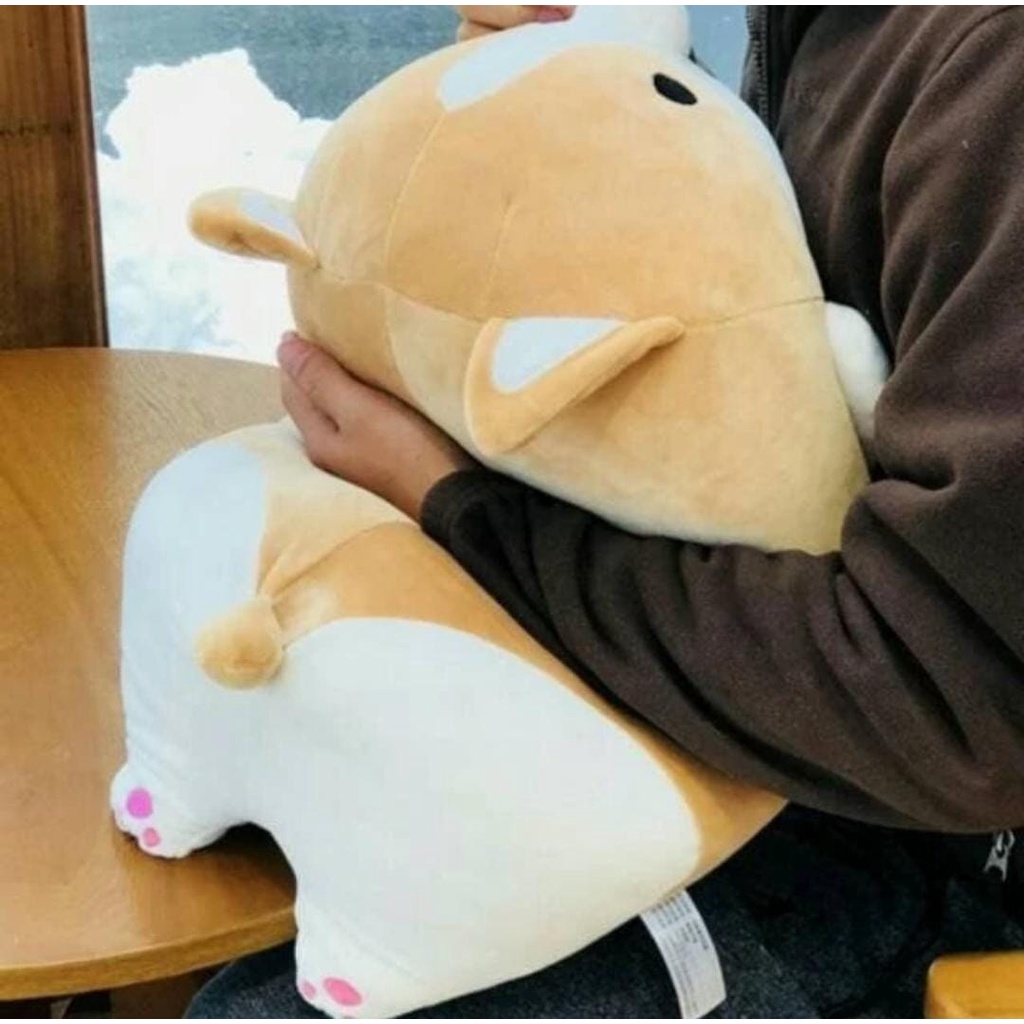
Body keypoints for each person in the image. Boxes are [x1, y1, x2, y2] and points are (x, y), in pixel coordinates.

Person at [188, 6, 1024, 1017]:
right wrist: (553, 116)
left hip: (917, 859)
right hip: (749, 733)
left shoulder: (991, 75)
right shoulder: (816, 29)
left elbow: (953, 702)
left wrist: (462, 508)